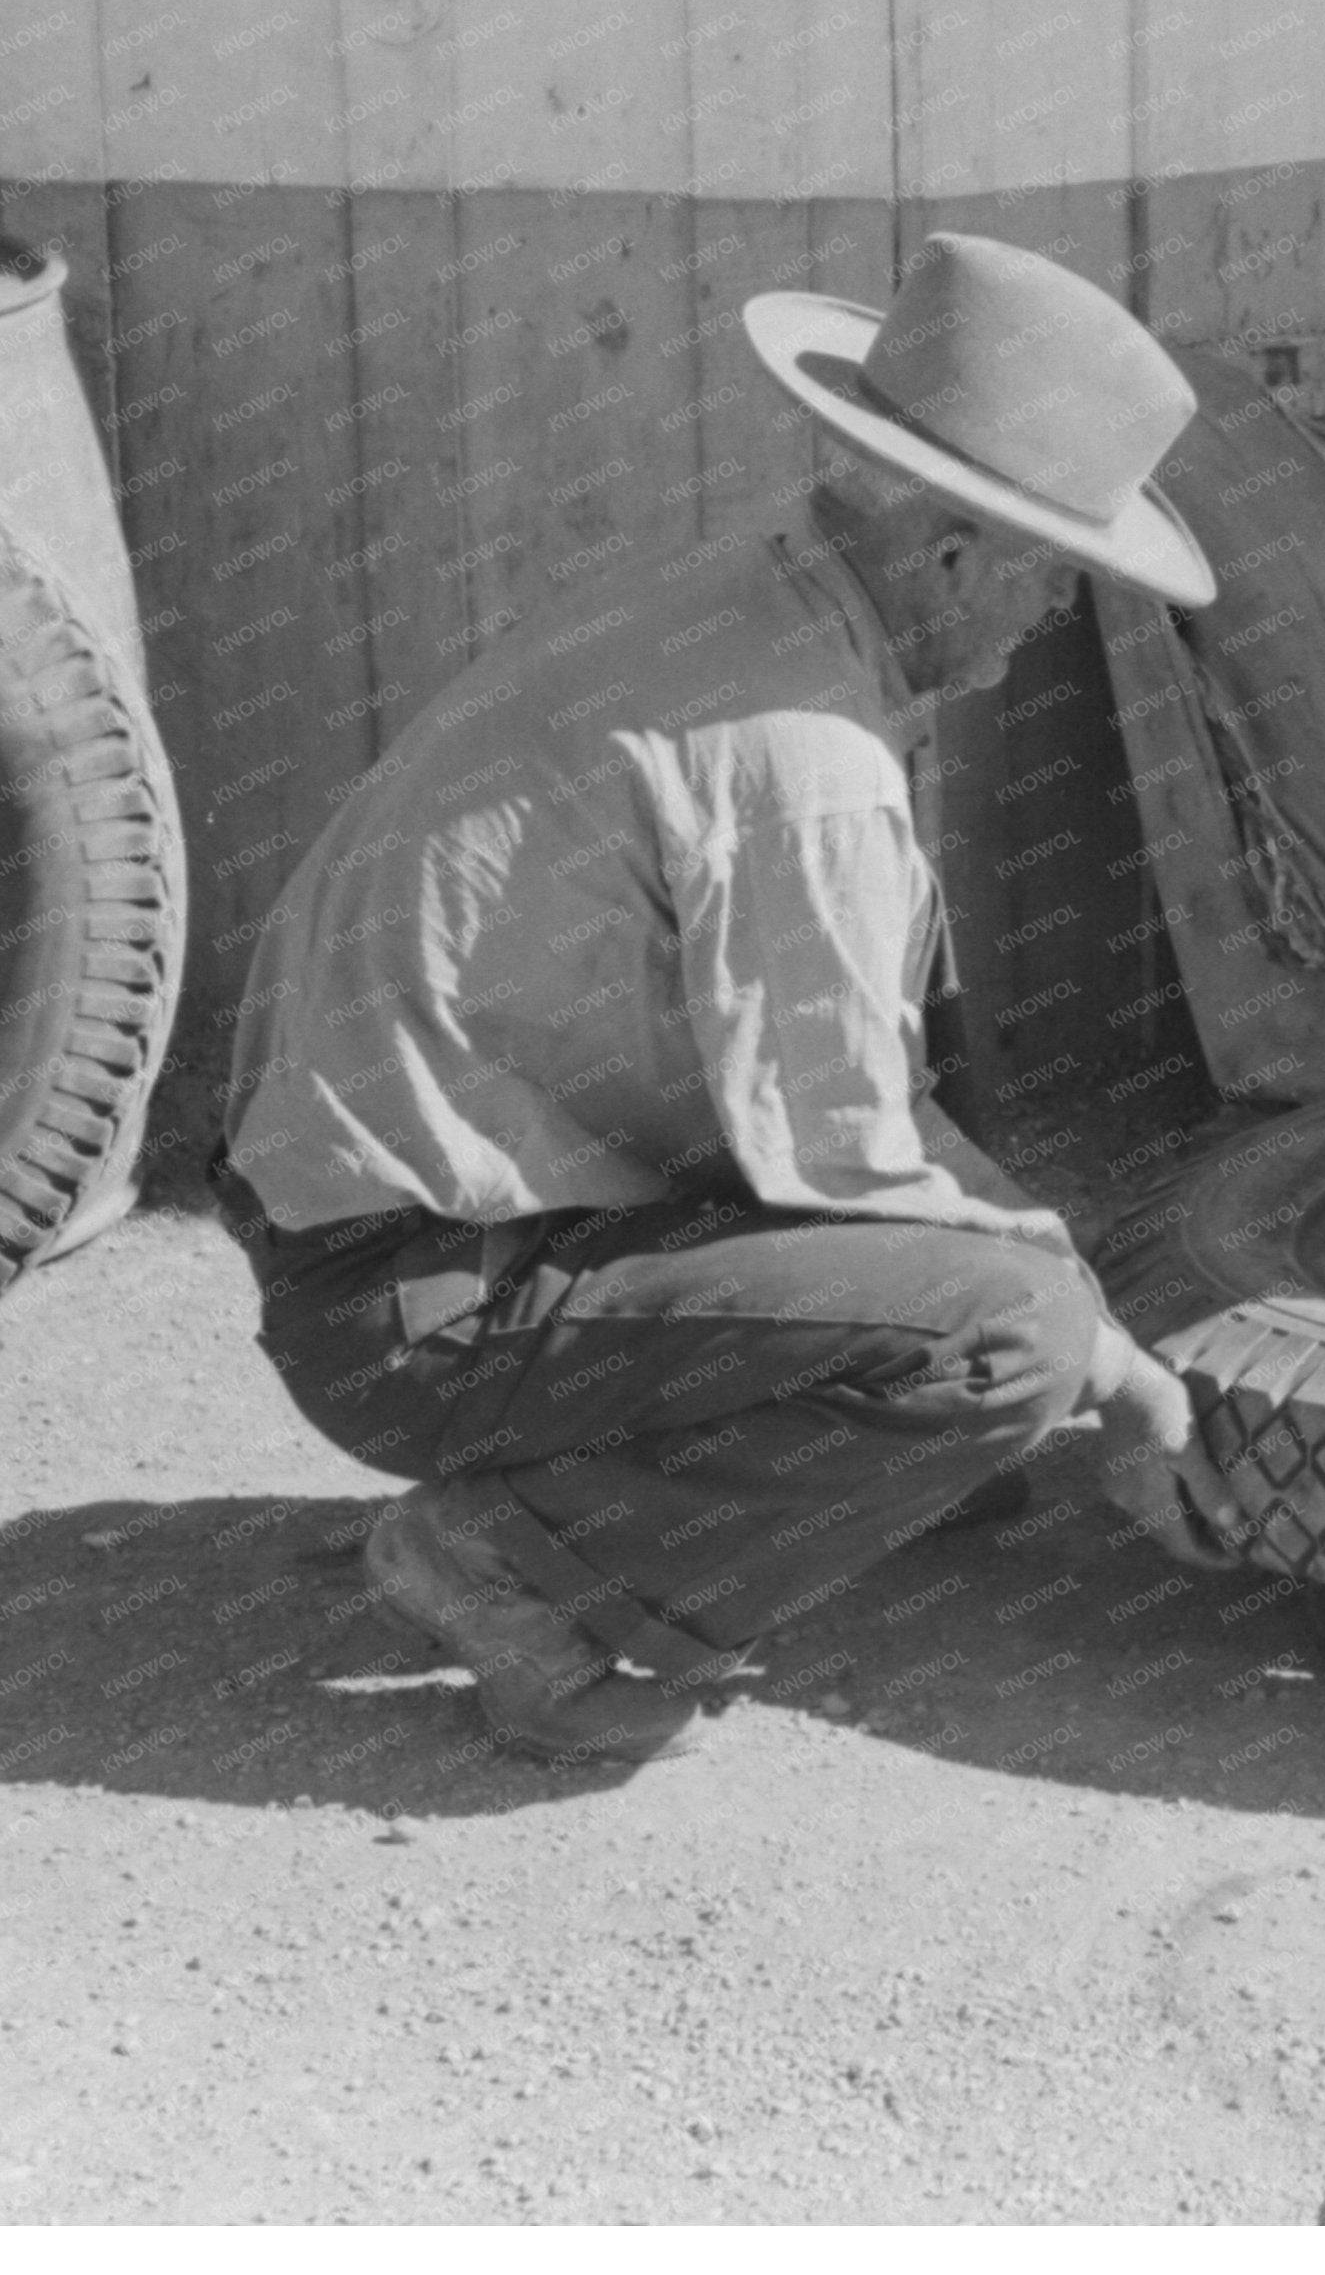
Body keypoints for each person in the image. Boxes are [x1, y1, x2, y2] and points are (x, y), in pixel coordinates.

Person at [215, 235, 1250, 1766]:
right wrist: (1120, 1375)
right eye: (1053, 574)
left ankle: (788, 1463)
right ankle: (516, 1566)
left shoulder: (734, 601)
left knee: (978, 1190)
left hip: (391, 1232)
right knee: (1006, 1332)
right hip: (412, 1307)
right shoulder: (806, 761)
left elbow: (835, 1092)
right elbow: (843, 1154)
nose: (1051, 618)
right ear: (959, 552)